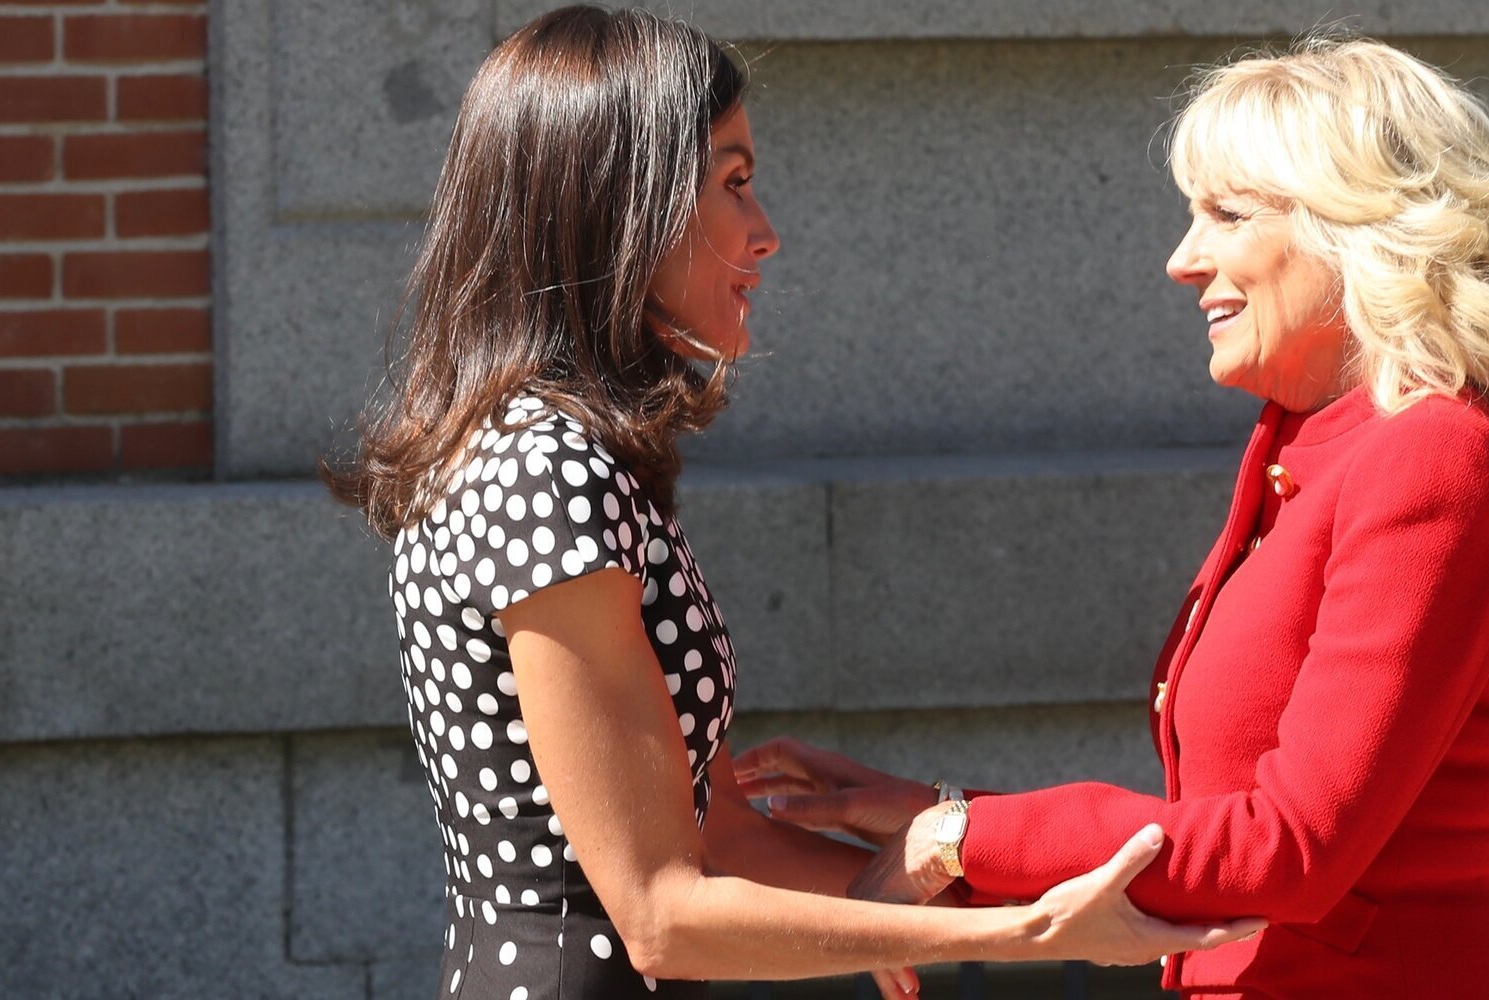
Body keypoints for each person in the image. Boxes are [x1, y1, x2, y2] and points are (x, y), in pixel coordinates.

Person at [321, 7, 1262, 1000]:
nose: (763, 233)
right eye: (732, 183)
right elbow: (658, 911)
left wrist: (977, 891)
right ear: (618, 205)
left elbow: (719, 832)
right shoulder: (539, 470)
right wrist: (1024, 932)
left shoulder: (560, 454)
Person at [739, 37, 1489, 999]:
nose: (1183, 259)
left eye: (1226, 213)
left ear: (1357, 226)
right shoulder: (1315, 444)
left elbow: (1290, 847)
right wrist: (930, 812)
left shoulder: (1433, 457)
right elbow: (1214, 831)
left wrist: (961, 839)